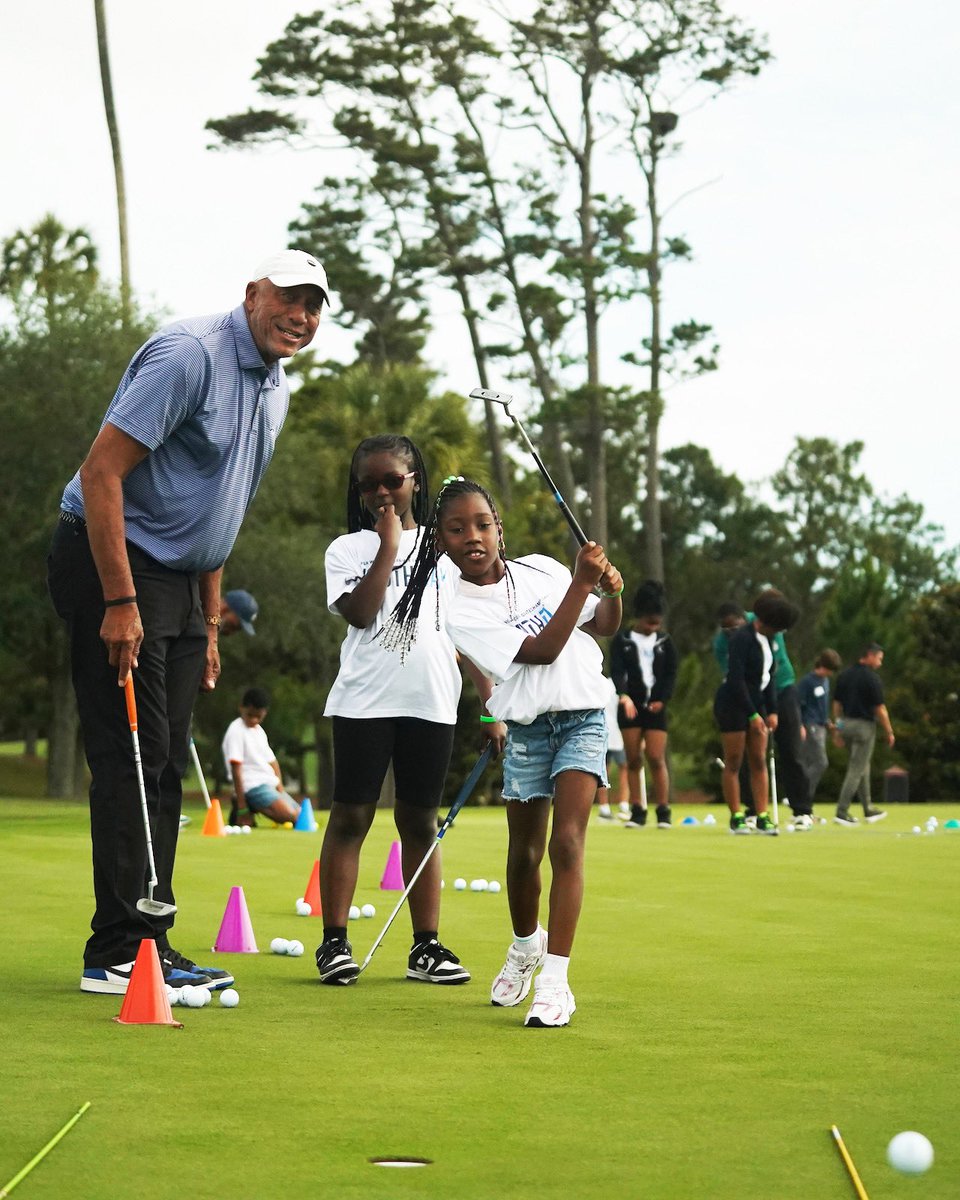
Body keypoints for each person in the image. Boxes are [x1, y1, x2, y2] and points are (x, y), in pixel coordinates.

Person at [47, 248, 331, 995]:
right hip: (112, 561)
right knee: (131, 756)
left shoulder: (275, 389)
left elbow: (218, 512)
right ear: (252, 293)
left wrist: (210, 622)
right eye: (288, 297)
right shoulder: (189, 356)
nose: (299, 315)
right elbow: (99, 473)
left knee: (167, 758)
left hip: (179, 581)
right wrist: (118, 602)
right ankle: (115, 953)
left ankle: (151, 943)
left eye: (313, 305)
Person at [381, 476, 624, 1028]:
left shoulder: (544, 569)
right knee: (523, 855)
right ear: (440, 542)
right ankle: (523, 946)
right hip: (528, 729)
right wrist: (584, 584)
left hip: (583, 715)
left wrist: (610, 588)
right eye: (457, 529)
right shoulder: (457, 610)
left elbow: (603, 626)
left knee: (567, 844)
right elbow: (540, 650)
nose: (473, 536)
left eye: (483, 525)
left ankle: (556, 982)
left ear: (500, 531)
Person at [316, 436, 480, 988]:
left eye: (394, 480)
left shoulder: (448, 550)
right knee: (352, 817)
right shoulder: (347, 549)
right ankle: (334, 943)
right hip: (365, 701)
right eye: (370, 484)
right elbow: (361, 615)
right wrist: (387, 547)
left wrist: (491, 704)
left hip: (432, 701)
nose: (383, 492)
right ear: (358, 490)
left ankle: (425, 948)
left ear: (416, 481)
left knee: (420, 823)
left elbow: (466, 633)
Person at [713, 600, 809, 824]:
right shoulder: (740, 639)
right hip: (733, 703)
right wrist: (752, 715)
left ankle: (763, 815)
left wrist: (772, 711)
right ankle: (737, 815)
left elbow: (769, 677)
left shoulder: (769, 638)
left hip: (758, 702)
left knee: (759, 760)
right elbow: (736, 680)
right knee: (734, 760)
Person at [610, 580, 678, 829]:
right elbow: (617, 670)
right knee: (633, 758)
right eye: (650, 622)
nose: (653, 627)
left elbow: (671, 674)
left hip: (656, 706)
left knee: (655, 757)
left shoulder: (665, 642)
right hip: (631, 705)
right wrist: (623, 695)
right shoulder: (623, 640)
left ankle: (663, 809)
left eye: (657, 623)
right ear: (640, 617)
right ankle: (638, 809)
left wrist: (663, 699)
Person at [832, 643, 893, 825]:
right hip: (864, 727)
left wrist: (838, 728)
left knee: (862, 766)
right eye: (879, 658)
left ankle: (868, 809)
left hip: (847, 724)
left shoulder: (845, 675)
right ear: (869, 656)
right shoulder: (871, 679)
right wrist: (889, 731)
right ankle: (842, 811)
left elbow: (836, 705)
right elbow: (880, 709)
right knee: (856, 769)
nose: (880, 663)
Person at [221, 687, 302, 825]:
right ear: (241, 708)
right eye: (250, 715)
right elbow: (236, 768)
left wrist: (280, 787)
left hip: (269, 783)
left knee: (302, 816)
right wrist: (242, 807)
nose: (254, 720)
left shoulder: (259, 732)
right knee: (291, 815)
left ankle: (245, 812)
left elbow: (272, 762)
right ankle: (242, 808)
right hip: (252, 786)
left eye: (258, 716)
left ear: (265, 712)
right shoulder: (236, 730)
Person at [797, 648, 842, 824]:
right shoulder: (808, 682)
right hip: (810, 726)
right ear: (822, 665)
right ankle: (800, 794)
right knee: (820, 762)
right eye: (829, 669)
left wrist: (828, 722)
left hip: (821, 726)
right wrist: (800, 724)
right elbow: (799, 705)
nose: (830, 674)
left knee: (811, 763)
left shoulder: (825, 682)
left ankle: (804, 807)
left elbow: (822, 706)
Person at [596, 677, 630, 821]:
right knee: (609, 770)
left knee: (617, 768)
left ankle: (620, 805)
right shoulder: (602, 684)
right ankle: (611, 807)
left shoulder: (610, 684)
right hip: (609, 733)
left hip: (612, 733)